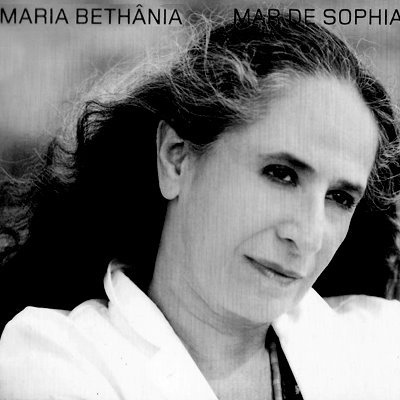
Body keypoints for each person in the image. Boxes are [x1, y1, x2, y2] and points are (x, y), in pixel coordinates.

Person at [1, 10, 400, 400]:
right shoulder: (55, 359)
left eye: (340, 198)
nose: (308, 237)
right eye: (281, 174)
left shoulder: (382, 350)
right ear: (176, 158)